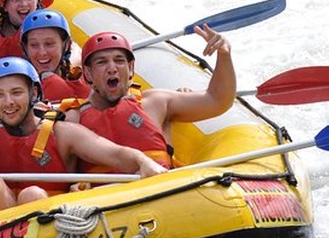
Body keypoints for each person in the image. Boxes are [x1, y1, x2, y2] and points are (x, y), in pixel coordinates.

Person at [0, 57, 167, 215]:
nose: (8, 103)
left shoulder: (63, 134)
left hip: (52, 227)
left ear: (34, 95)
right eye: (0, 95)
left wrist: (144, 161)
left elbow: (114, 153)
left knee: (32, 195)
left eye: (16, 93)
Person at [63, 28, 236, 173]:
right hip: (105, 206)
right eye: (101, 62)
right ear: (87, 73)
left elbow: (217, 100)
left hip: (162, 196)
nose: (112, 68)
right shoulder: (73, 119)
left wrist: (224, 55)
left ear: (131, 68)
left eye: (119, 61)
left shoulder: (156, 102)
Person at [20, 9, 90, 102]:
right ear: (26, 48)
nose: (42, 52)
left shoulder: (85, 81)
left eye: (49, 44)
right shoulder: (15, 89)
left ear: (66, 45)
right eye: (34, 45)